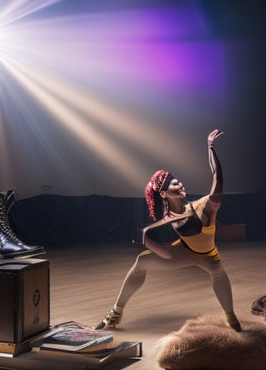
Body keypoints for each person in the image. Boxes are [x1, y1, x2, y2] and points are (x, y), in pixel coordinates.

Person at [95, 129, 241, 332]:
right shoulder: (167, 216)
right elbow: (165, 253)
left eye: (178, 181)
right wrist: (146, 239)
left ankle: (231, 317)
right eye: (174, 183)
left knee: (219, 277)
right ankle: (115, 313)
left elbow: (218, 177)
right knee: (141, 261)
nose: (180, 184)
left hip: (208, 256)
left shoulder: (203, 206)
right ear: (163, 193)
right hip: (183, 251)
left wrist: (210, 147)